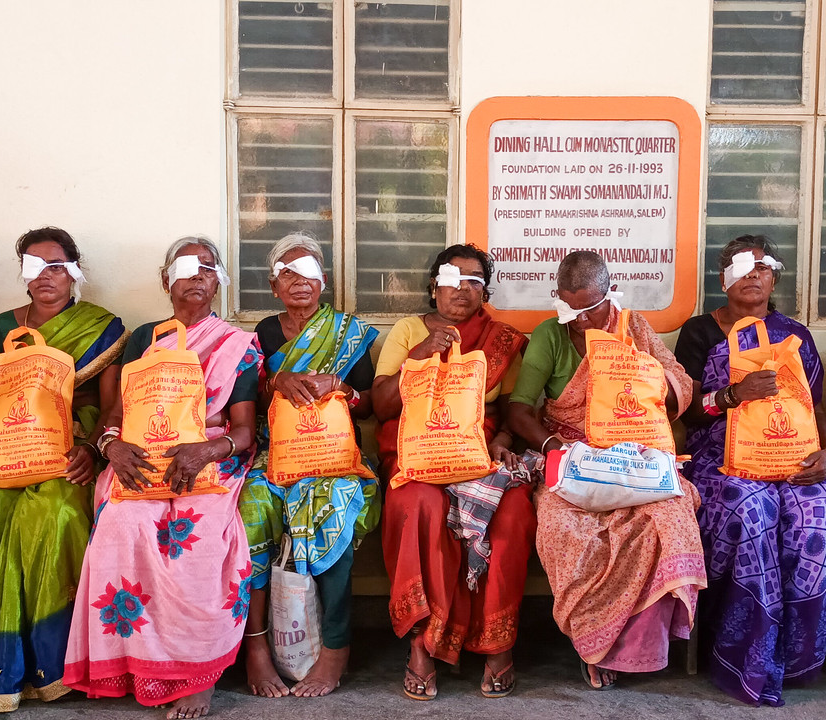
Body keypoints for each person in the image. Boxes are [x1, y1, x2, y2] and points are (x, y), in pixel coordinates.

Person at [62, 236, 263, 720]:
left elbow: (243, 430)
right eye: (186, 267)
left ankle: (199, 675)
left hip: (210, 456)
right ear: (165, 279)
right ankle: (142, 663)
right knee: (122, 525)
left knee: (199, 538)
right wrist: (111, 447)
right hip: (141, 455)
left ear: (220, 280)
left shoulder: (236, 344)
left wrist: (206, 451)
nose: (197, 276)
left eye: (208, 268)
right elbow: (115, 415)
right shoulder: (144, 339)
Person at [0, 227, 128, 712]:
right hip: (7, 443)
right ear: (23, 274)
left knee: (53, 514)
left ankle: (51, 661)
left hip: (70, 441)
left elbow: (112, 405)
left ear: (74, 272)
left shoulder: (102, 327)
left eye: (56, 266)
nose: (45, 275)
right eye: (33, 266)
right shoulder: (0, 327)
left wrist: (92, 450)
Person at [504, 250, 706, 690]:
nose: (579, 320)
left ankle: (634, 649)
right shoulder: (550, 335)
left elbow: (678, 389)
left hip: (638, 456)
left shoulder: (634, 329)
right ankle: (593, 644)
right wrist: (556, 448)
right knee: (562, 527)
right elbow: (519, 409)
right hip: (573, 457)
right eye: (569, 308)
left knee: (670, 519)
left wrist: (643, 376)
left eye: (590, 309)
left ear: (610, 293)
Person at [673, 236, 826, 706]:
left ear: (774, 278)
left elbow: (815, 407)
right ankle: (747, 656)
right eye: (741, 266)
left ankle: (795, 658)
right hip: (722, 455)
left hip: (796, 454)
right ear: (723, 279)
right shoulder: (699, 332)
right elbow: (686, 411)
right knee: (751, 511)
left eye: (763, 267)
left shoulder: (795, 335)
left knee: (817, 514)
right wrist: (732, 395)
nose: (753, 274)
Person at [374, 244, 532, 700]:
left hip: (479, 454)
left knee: (514, 510)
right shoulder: (408, 331)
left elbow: (511, 411)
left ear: (485, 291)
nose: (461, 288)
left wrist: (502, 443)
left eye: (473, 280)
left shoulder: (502, 339)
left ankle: (498, 642)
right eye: (450, 278)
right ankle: (423, 642)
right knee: (418, 502)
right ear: (433, 286)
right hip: (416, 454)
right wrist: (421, 354)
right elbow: (382, 405)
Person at [239, 233, 380, 699]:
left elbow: (368, 404)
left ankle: (335, 648)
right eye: (288, 273)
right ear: (274, 285)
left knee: (332, 502)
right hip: (275, 450)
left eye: (310, 272)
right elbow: (250, 399)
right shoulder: (263, 332)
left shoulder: (347, 332)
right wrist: (278, 380)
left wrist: (339, 385)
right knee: (252, 502)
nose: (300, 281)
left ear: (323, 281)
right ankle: (256, 645)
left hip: (334, 453)